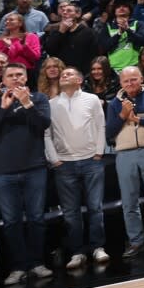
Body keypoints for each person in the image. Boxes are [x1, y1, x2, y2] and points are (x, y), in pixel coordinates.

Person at [0, 63, 54, 287]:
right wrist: (3, 110)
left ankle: (37, 262)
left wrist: (27, 104)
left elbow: (43, 124)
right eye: (11, 76)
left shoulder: (39, 99)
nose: (15, 78)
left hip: (35, 168)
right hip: (3, 172)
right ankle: (18, 266)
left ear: (26, 78)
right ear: (3, 81)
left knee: (36, 219)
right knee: (11, 222)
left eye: (19, 75)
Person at [46, 66, 109, 270]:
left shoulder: (91, 99)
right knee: (70, 213)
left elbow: (101, 125)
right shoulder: (51, 104)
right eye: (63, 74)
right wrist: (54, 158)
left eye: (70, 74)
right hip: (64, 164)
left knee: (95, 208)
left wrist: (99, 151)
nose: (65, 76)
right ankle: (77, 251)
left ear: (80, 80)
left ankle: (97, 247)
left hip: (91, 160)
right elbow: (47, 134)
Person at [106, 66, 144, 256]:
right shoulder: (114, 103)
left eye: (133, 79)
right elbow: (109, 133)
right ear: (121, 83)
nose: (130, 84)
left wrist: (139, 120)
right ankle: (135, 241)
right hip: (125, 155)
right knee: (129, 202)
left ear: (141, 78)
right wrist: (123, 116)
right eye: (126, 81)